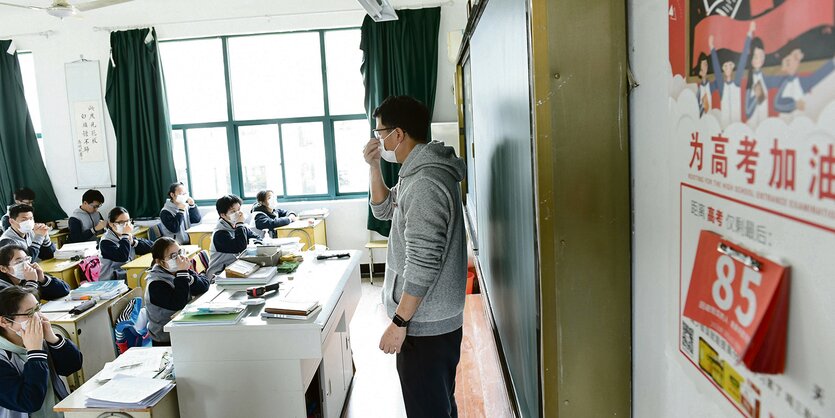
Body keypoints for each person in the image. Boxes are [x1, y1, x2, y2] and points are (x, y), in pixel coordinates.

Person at [363, 95, 467, 417]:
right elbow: (383, 210)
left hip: (425, 325)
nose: (378, 140)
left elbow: (422, 264)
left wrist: (399, 321)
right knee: (439, 403)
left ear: (399, 134)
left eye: (381, 133)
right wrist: (374, 166)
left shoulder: (424, 182)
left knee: (428, 408)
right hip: (430, 319)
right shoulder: (415, 172)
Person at [0, 286, 82, 418]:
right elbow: (28, 401)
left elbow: (72, 366)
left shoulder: (36, 336)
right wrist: (35, 352)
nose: (37, 317)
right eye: (29, 313)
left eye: (38, 308)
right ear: (4, 321)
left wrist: (52, 339)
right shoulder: (4, 357)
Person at [144, 237, 209, 345]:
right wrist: (182, 273)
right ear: (160, 262)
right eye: (173, 256)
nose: (179, 258)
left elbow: (204, 285)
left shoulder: (177, 271)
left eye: (180, 252)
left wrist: (188, 276)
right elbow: (179, 303)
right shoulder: (155, 283)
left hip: (184, 327)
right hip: (166, 338)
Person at [708, 22, 753, 126]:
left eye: (730, 65)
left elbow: (742, 61)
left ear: (733, 67)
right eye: (725, 66)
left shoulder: (736, 83)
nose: (728, 68)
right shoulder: (721, 86)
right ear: (723, 69)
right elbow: (716, 68)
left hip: (737, 128)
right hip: (724, 129)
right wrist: (711, 48)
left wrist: (749, 34)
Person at [206, 195, 258, 280]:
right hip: (219, 275)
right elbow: (239, 247)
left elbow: (257, 237)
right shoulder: (219, 234)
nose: (238, 214)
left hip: (236, 269)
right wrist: (240, 224)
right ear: (223, 215)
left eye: (238, 210)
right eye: (233, 211)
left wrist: (254, 243)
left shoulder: (236, 226)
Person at [774, 49, 835, 116]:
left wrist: (832, 63)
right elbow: (777, 105)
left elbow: (815, 78)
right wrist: (794, 105)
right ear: (783, 67)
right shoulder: (785, 84)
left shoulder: (800, 81)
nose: (791, 63)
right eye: (787, 61)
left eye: (794, 60)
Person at [99, 207, 153, 281]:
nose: (125, 225)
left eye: (127, 221)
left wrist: (133, 242)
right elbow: (122, 257)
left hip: (126, 276)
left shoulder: (126, 236)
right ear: (111, 224)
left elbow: (152, 247)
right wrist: (125, 235)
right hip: (111, 282)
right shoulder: (105, 242)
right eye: (121, 222)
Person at [0, 245, 70, 301]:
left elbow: (64, 290)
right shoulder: (2, 287)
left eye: (27, 259)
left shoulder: (26, 277)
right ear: (3, 269)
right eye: (19, 262)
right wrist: (31, 282)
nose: (26, 264)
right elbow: (23, 306)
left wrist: (43, 279)